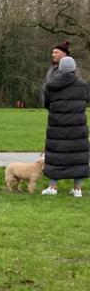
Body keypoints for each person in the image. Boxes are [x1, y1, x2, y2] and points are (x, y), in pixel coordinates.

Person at [41, 55, 89, 197]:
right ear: (74, 69)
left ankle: (53, 187)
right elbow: (85, 101)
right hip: (78, 126)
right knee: (78, 156)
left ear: (60, 69)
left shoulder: (51, 86)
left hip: (57, 125)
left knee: (55, 155)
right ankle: (77, 189)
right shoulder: (83, 85)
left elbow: (47, 104)